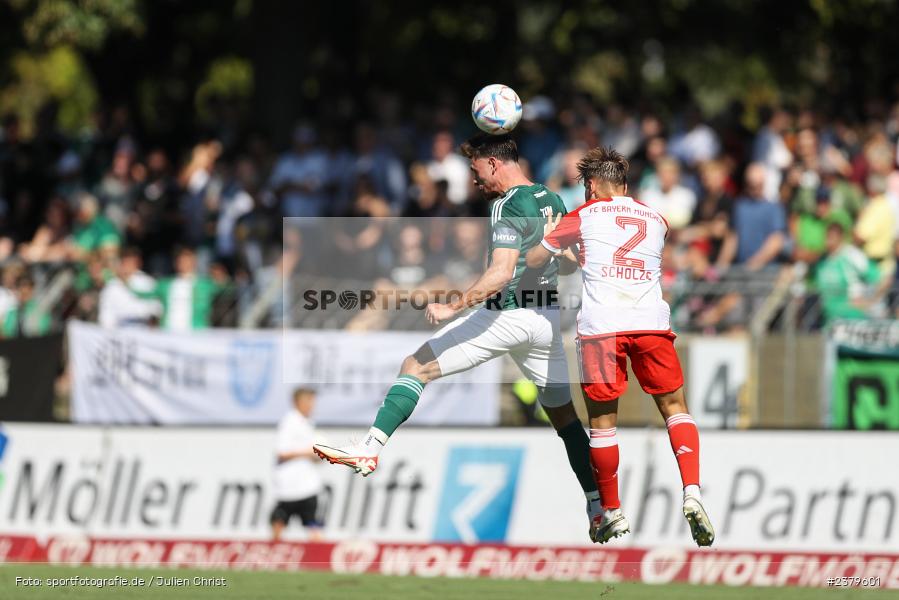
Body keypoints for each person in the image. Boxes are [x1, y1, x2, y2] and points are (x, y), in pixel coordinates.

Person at [314, 134, 606, 542]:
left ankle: (370, 447)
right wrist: (552, 250)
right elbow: (572, 265)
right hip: (545, 321)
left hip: (506, 316)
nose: (473, 181)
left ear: (491, 164)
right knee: (564, 417)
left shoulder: (506, 205)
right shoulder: (552, 199)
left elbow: (502, 272)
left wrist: (455, 306)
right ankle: (597, 504)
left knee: (415, 366)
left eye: (474, 171)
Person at [525, 146, 715, 547]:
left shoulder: (581, 215)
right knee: (676, 408)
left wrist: (558, 248)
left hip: (602, 328)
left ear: (591, 186)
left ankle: (611, 511)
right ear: (626, 185)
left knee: (602, 424)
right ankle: (693, 492)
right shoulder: (657, 218)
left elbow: (538, 258)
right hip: (650, 323)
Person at [271, 388, 324, 541]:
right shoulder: (290, 422)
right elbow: (281, 452)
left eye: (312, 402)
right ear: (296, 402)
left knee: (313, 524)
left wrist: (318, 456)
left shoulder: (307, 423)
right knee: (279, 523)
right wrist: (309, 452)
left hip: (307, 485)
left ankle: (317, 559)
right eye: (308, 401)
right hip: (289, 485)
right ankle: (272, 557)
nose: (311, 405)